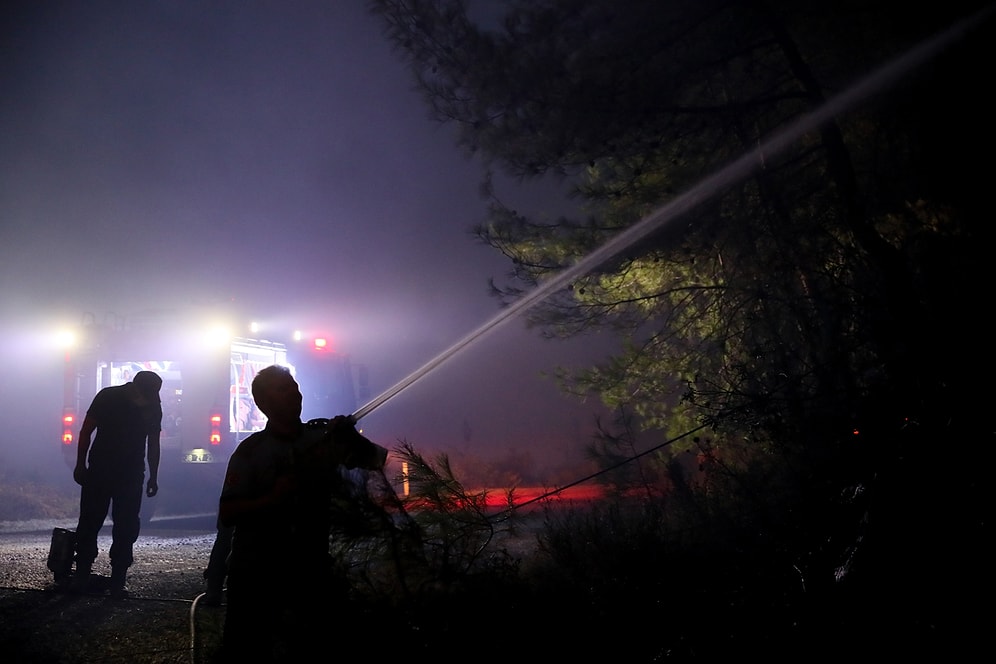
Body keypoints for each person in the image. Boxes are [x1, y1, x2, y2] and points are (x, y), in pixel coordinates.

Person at [216, 364, 387, 661]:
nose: (294, 395)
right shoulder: (251, 451)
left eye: (295, 387)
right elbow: (228, 512)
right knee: (246, 649)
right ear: (263, 403)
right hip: (256, 571)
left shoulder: (320, 441)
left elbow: (375, 460)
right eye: (283, 390)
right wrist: (273, 498)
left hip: (308, 567)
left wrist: (350, 438)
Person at [71, 370, 162, 597]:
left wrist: (154, 475)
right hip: (119, 473)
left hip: (112, 471)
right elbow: (86, 431)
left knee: (101, 523)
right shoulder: (113, 398)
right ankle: (112, 581)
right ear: (137, 389)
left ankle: (95, 578)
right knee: (114, 524)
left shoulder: (109, 397)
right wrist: (80, 465)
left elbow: (86, 432)